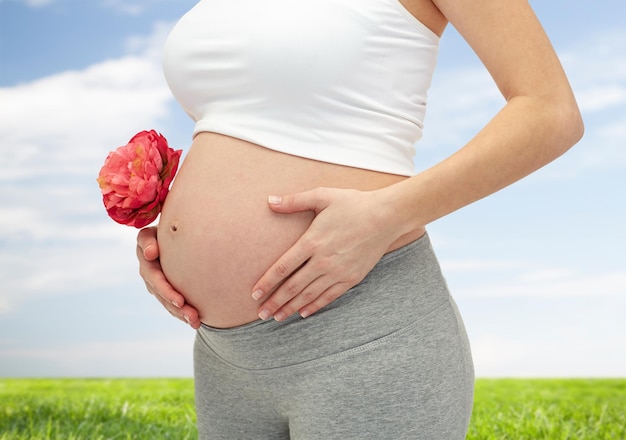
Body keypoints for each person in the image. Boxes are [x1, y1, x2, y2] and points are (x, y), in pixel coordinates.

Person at [136, 0, 583, 438]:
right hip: (223, 355)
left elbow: (550, 111)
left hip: (362, 333)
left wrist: (388, 214)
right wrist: (176, 237)